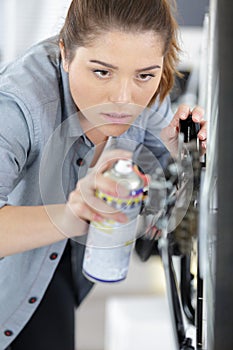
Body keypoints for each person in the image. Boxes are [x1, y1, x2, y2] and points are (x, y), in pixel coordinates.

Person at [0, 0, 207, 349]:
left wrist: (172, 149)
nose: (124, 98)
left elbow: (151, 182)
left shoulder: (149, 94)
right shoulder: (18, 106)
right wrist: (72, 216)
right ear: (65, 54)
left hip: (51, 271)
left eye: (144, 74)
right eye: (102, 72)